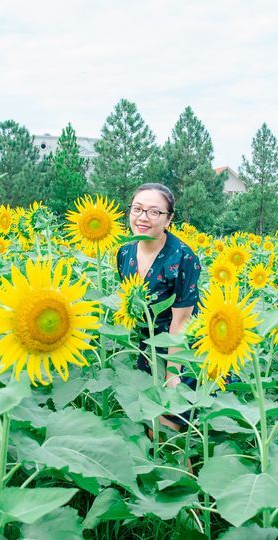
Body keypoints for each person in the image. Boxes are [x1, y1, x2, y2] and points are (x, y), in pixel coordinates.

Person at [116, 183, 201, 427]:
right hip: (148, 345)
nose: (143, 217)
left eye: (154, 212)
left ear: (168, 219)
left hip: (182, 346)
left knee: (173, 423)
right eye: (137, 209)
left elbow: (182, 320)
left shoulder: (182, 256)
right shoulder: (124, 253)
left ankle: (185, 465)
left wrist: (173, 372)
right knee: (150, 422)